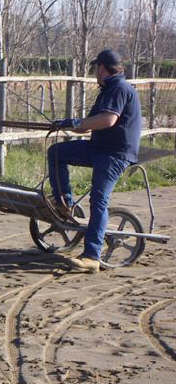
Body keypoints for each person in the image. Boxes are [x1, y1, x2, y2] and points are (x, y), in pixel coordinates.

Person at [47, 49, 142, 273]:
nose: (94, 73)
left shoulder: (119, 88)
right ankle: (64, 203)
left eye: (95, 68)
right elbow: (89, 124)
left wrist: (78, 121)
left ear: (102, 68)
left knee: (98, 198)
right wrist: (68, 124)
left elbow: (108, 120)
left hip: (115, 154)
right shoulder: (108, 89)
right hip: (99, 148)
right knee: (56, 152)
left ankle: (92, 256)